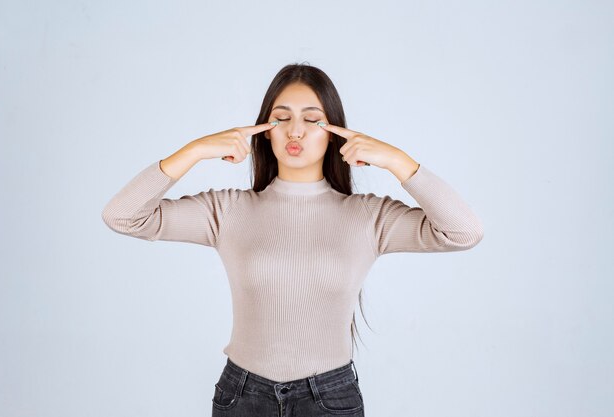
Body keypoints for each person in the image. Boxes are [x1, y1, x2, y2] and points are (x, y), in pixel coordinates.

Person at [101, 63, 484, 417]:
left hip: (330, 399)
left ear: (337, 131)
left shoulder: (369, 216)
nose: (295, 131)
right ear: (264, 132)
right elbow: (123, 216)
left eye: (312, 120)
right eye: (281, 118)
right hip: (242, 396)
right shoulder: (228, 210)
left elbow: (463, 232)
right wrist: (196, 150)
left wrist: (399, 161)